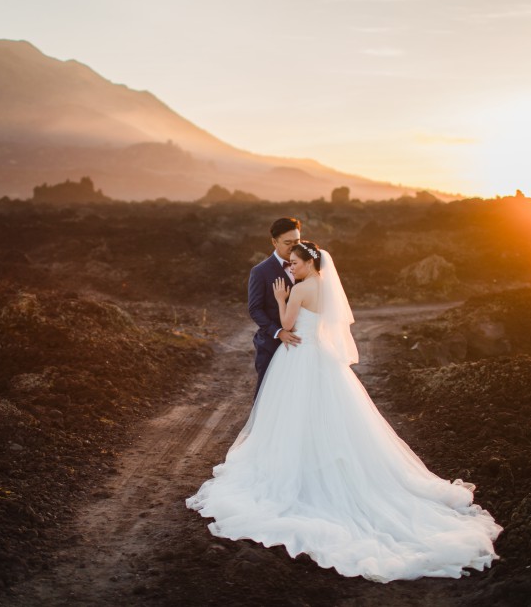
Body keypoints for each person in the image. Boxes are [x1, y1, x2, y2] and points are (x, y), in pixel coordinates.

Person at [187, 241, 502, 583]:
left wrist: (281, 299)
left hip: (299, 358)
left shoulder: (301, 289)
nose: (290, 268)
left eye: (294, 262)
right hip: (324, 358)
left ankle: (302, 471)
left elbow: (288, 326)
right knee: (333, 417)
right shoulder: (325, 285)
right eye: (289, 262)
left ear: (309, 263)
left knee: (294, 417)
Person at [247, 217, 301, 394]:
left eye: (297, 241)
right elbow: (255, 309)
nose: (293, 247)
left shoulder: (308, 267)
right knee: (267, 394)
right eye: (287, 243)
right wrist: (279, 332)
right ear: (274, 242)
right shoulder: (260, 272)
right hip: (271, 344)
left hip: (302, 344)